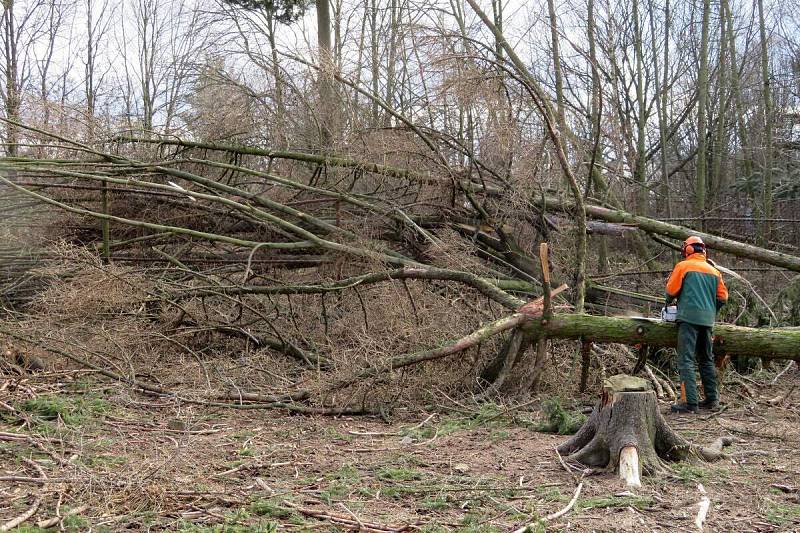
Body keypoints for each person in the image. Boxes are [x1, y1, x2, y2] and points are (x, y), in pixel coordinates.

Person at [665, 236, 729, 413]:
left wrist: (669, 302)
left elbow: (670, 290)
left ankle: (690, 403)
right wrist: (710, 310)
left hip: (688, 320)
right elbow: (723, 297)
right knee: (706, 359)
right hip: (707, 321)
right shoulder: (714, 271)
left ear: (688, 250)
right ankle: (712, 400)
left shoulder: (683, 266)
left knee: (686, 359)